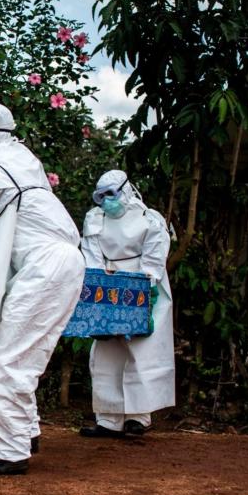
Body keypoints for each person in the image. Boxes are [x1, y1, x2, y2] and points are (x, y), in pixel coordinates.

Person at [0, 103, 85, 477]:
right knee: (24, 356)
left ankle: (8, 452)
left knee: (6, 360)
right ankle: (23, 433)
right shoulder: (26, 162)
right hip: (66, 261)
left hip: (45, 268)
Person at [79, 169, 175, 438]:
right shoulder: (95, 218)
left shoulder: (150, 219)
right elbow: (91, 256)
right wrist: (99, 288)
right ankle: (108, 419)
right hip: (107, 287)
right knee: (106, 352)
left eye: (111, 194)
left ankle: (138, 417)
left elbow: (154, 261)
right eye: (101, 196)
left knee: (141, 351)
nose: (107, 201)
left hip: (142, 285)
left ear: (126, 189)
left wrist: (144, 292)